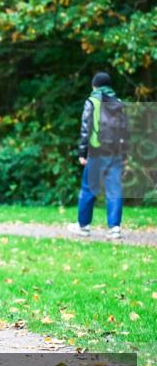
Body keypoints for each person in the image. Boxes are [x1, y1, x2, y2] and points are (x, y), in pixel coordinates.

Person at [69, 71, 129, 240]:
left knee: (88, 189)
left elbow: (85, 128)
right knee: (115, 189)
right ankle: (114, 228)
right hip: (115, 151)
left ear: (94, 85)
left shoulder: (92, 101)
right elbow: (125, 131)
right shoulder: (119, 104)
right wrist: (124, 156)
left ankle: (84, 226)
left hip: (96, 151)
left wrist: (82, 152)